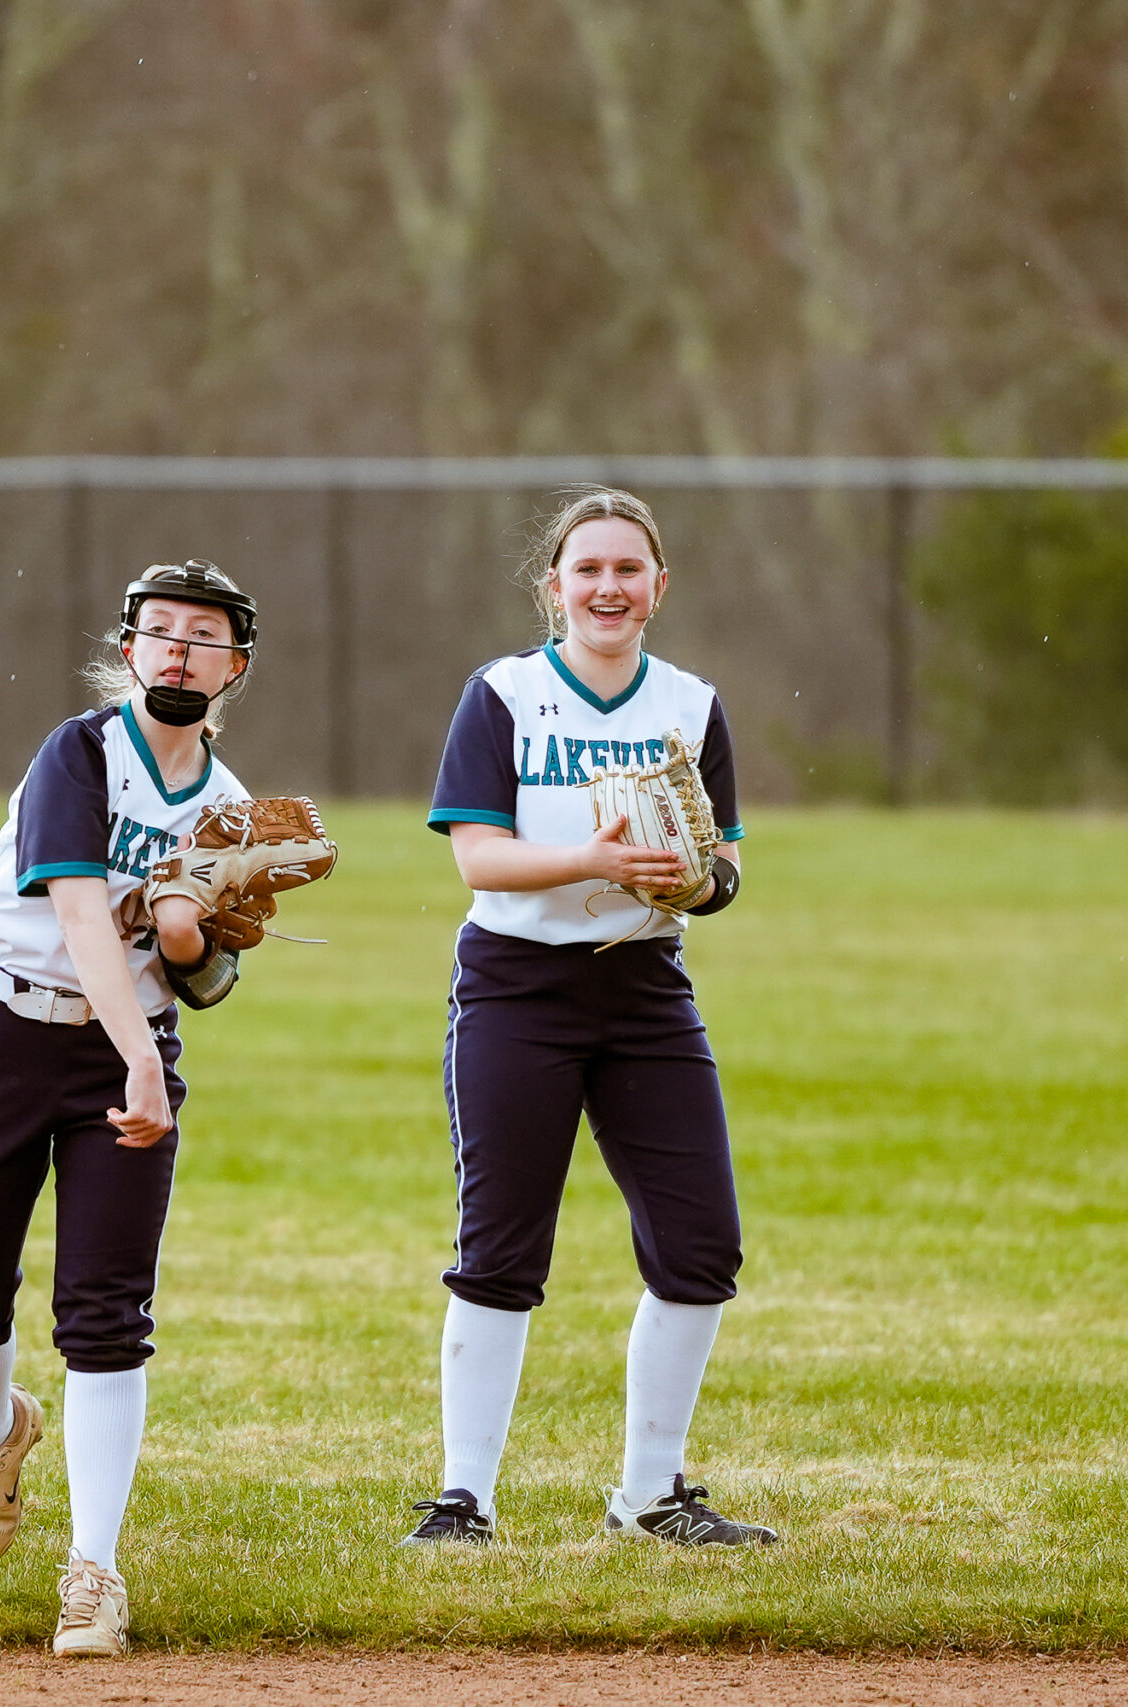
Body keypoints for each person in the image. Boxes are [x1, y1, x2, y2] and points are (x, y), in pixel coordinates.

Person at [407, 486, 775, 1549]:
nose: (607, 587)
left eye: (627, 569)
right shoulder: (506, 693)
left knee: (701, 1243)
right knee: (501, 1247)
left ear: (658, 587)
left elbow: (728, 871)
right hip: (517, 984)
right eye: (587, 569)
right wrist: (593, 859)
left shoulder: (691, 703)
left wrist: (690, 881)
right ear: (552, 587)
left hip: (645, 987)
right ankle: (461, 1499)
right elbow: (477, 855)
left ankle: (649, 1496)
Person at [0, 560, 257, 1659]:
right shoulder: (80, 753)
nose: (176, 651)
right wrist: (144, 1064)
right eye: (156, 633)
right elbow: (71, 917)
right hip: (9, 1032)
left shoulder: (230, 809)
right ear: (126, 654)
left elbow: (206, 981)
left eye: (201, 636)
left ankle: (94, 1573)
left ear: (233, 668)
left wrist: (193, 936)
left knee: (104, 1315)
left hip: (129, 1049)